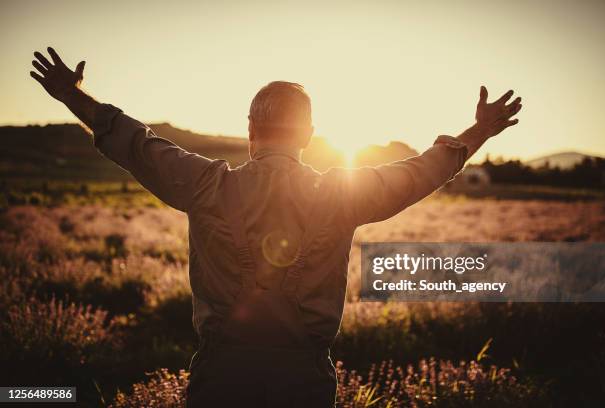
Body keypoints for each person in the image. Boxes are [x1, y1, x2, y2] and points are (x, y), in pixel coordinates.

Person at [30, 47, 522, 407]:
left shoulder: (206, 184)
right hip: (301, 380)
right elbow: (421, 172)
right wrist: (480, 130)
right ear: (308, 136)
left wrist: (74, 96)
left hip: (222, 377)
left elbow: (135, 143)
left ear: (250, 133)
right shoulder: (340, 193)